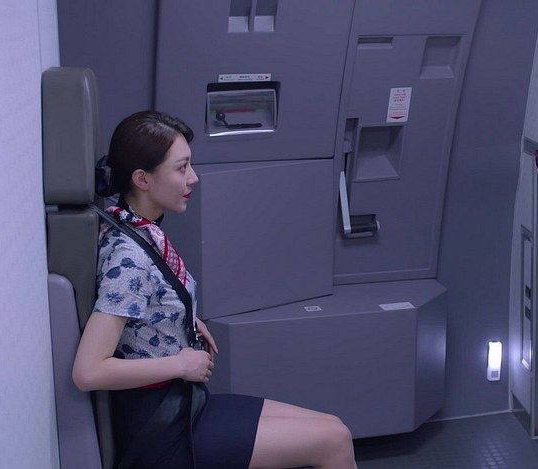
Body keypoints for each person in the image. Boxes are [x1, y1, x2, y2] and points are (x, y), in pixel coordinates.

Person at [72, 110, 357, 469]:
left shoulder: (134, 226)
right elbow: (88, 371)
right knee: (334, 441)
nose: (193, 177)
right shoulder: (128, 259)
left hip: (185, 403)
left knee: (334, 426)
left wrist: (183, 318)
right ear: (142, 178)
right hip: (164, 429)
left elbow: (145, 306)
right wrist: (180, 363)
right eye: (181, 168)